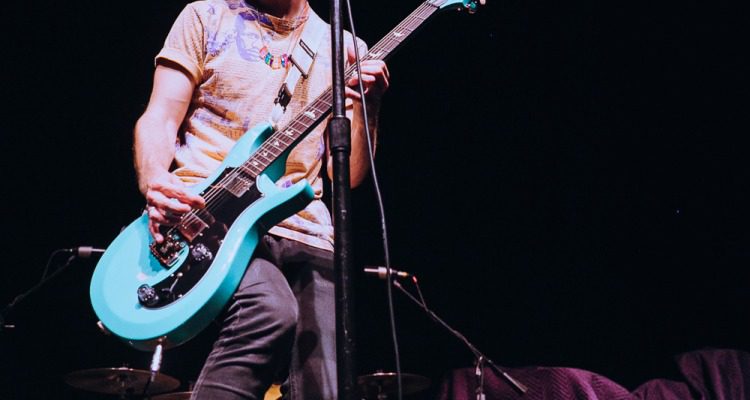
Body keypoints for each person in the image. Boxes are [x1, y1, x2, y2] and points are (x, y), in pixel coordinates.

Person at [133, 0, 389, 398]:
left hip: (305, 227)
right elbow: (160, 116)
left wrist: (369, 107)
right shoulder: (206, 16)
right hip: (211, 215)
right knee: (268, 309)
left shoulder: (344, 47)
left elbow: (348, 174)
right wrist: (155, 180)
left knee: (327, 384)